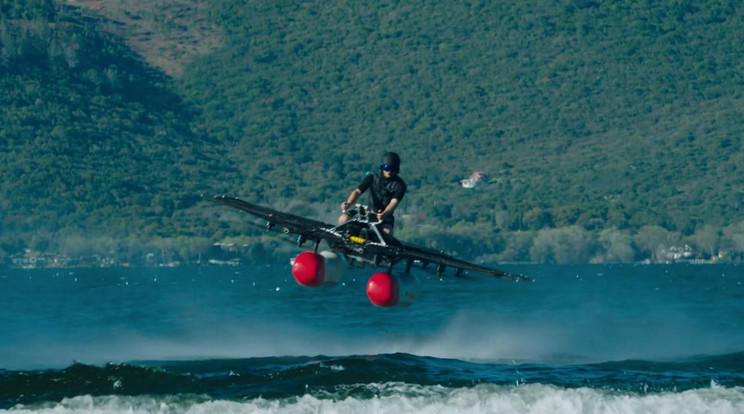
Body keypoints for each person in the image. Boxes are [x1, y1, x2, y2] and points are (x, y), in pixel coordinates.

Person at [339, 152, 407, 237]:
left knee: (387, 232)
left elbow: (394, 202)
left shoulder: (400, 185)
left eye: (392, 169)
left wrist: (384, 214)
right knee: (343, 219)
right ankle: (342, 238)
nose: (389, 171)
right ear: (382, 167)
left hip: (385, 215)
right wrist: (348, 204)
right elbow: (357, 192)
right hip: (367, 211)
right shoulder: (372, 177)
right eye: (387, 167)